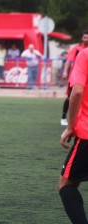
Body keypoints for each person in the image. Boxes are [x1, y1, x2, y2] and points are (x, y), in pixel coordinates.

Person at [59, 47, 88, 224]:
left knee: (66, 183)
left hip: (86, 133)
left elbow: (76, 92)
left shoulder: (84, 54)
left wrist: (70, 126)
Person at [60, 30, 88, 126]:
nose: (86, 39)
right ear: (82, 38)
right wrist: (64, 72)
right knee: (70, 97)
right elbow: (68, 61)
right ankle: (64, 117)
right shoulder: (77, 49)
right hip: (75, 78)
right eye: (85, 37)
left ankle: (81, 120)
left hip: (86, 79)